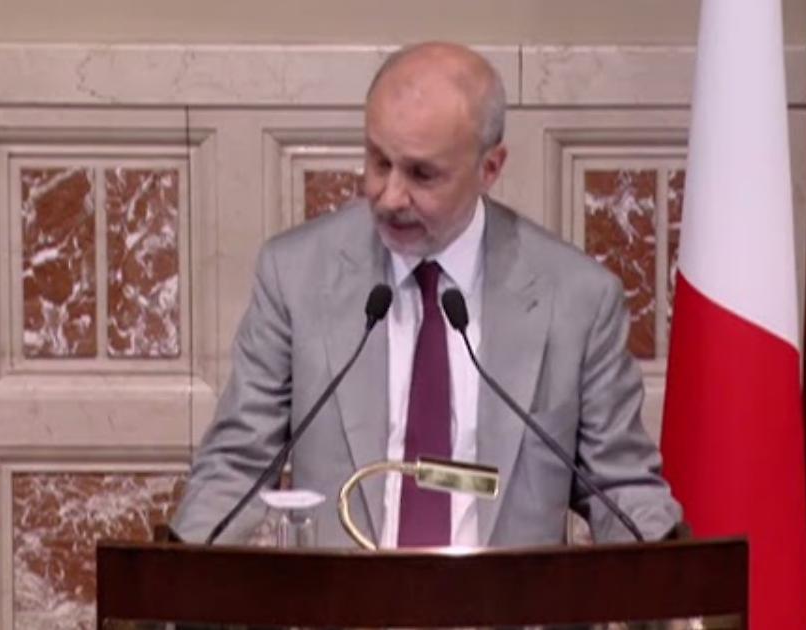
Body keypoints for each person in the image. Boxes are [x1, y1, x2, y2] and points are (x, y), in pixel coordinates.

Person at [172, 42, 682, 548]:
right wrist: (175, 570)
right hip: (346, 599)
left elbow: (620, 488)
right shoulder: (296, 275)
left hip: (509, 599)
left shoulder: (577, 299)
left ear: (490, 168)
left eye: (422, 174)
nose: (390, 196)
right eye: (379, 162)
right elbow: (235, 469)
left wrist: (673, 572)